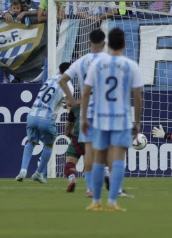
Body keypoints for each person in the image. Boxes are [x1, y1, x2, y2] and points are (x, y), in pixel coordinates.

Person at [81, 28, 143, 211]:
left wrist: (84, 118)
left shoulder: (97, 64)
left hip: (100, 118)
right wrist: (137, 121)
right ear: (124, 44)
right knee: (117, 160)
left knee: (99, 158)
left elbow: (85, 93)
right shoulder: (131, 65)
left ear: (107, 45)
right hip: (121, 119)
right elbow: (138, 97)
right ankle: (112, 202)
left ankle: (95, 202)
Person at [59, 29, 106, 198]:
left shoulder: (80, 61)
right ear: (105, 44)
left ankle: (90, 189)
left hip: (87, 109)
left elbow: (62, 80)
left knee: (88, 150)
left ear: (88, 43)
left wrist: (71, 100)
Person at [15, 62, 74, 183]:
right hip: (46, 119)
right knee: (49, 145)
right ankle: (38, 173)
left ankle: (23, 170)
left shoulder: (50, 78)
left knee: (31, 142)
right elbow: (69, 104)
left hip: (32, 115)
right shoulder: (68, 85)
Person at [64, 102, 135, 198]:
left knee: (71, 160)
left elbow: (68, 126)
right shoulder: (103, 102)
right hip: (96, 128)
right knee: (101, 157)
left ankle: (72, 178)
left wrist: (69, 133)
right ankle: (108, 177)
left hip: (78, 133)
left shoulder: (76, 106)